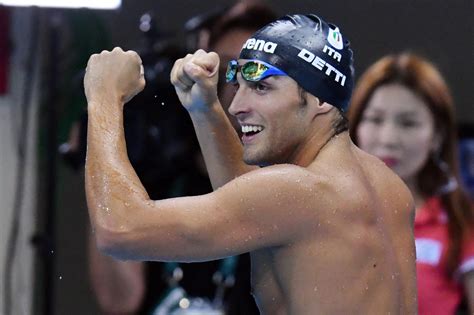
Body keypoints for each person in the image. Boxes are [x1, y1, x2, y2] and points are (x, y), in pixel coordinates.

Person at [84, 14, 417, 313]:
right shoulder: (388, 187)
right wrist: (205, 109)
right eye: (238, 85)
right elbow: (250, 201)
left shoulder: (301, 193)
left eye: (261, 87)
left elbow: (119, 230)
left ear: (320, 100)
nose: (237, 106)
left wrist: (103, 97)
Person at [347, 52, 474, 314]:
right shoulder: (324, 211)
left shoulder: (461, 222)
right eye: (375, 119)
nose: (389, 138)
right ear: (356, 126)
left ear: (437, 135)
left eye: (408, 123)